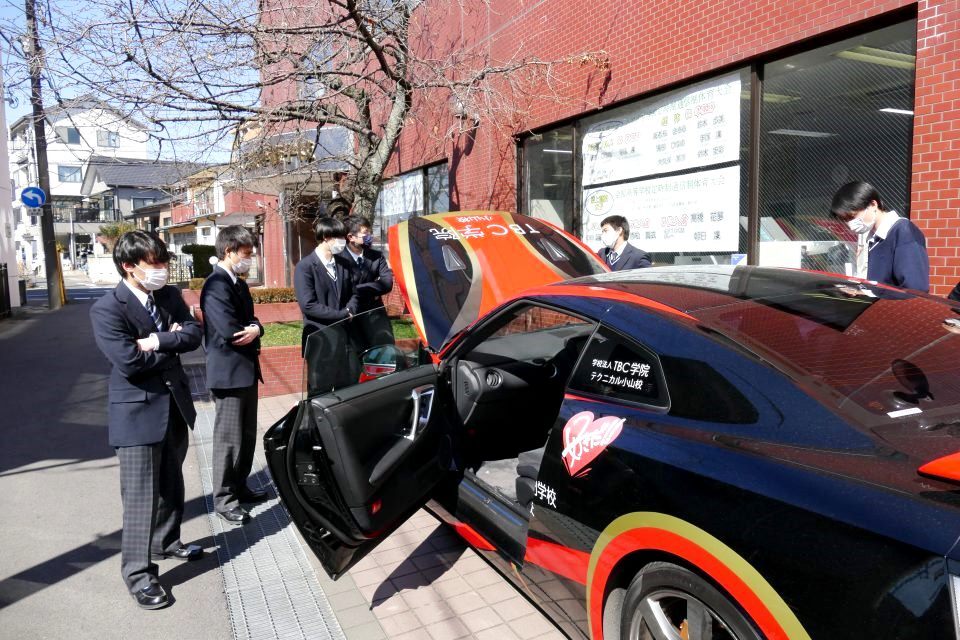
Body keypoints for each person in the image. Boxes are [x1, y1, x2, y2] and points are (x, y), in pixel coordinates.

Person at [89, 231, 203, 610]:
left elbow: (194, 335)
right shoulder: (108, 309)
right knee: (140, 498)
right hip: (136, 414)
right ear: (129, 266)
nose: (162, 269)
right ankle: (139, 575)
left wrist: (155, 341)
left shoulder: (168, 296)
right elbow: (130, 362)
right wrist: (170, 340)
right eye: (154, 263)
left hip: (174, 406)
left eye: (164, 261)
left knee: (172, 483)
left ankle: (166, 543)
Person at [200, 225, 267, 526]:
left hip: (246, 370)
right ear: (228, 251)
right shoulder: (216, 285)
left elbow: (252, 322)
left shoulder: (237, 283)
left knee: (247, 435)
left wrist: (256, 329)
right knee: (228, 440)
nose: (249, 259)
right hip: (228, 374)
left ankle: (240, 486)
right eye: (246, 253)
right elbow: (230, 330)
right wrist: (252, 329)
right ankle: (224, 499)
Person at [830, 181, 929, 292]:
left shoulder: (904, 232)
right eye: (845, 219)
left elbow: (915, 290)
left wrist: (866, 294)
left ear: (873, 205)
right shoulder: (868, 236)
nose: (850, 224)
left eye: (852, 216)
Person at [294, 217, 359, 351]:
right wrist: (341, 315)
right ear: (326, 237)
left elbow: (354, 292)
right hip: (320, 337)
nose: (343, 241)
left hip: (347, 336)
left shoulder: (344, 264)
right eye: (339, 237)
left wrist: (350, 309)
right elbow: (308, 305)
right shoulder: (305, 267)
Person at [344, 215, 395, 348]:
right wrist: (373, 289)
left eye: (370, 232)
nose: (370, 236)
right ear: (351, 237)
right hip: (350, 315)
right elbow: (341, 288)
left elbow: (387, 283)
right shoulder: (339, 259)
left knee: (385, 350)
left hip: (374, 313)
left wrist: (356, 289)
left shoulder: (376, 256)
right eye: (365, 233)